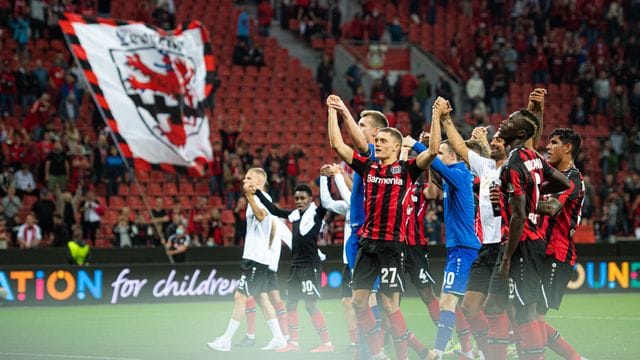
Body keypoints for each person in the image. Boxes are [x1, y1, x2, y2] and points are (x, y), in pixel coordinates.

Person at [327, 94, 442, 360]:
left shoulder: (407, 170)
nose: (376, 144)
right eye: (376, 140)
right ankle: (379, 354)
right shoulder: (368, 167)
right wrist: (332, 111)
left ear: (395, 146)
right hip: (367, 245)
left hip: (392, 246)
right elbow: (337, 144)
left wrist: (436, 117)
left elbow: (433, 151)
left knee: (390, 305)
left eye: (381, 141)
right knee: (358, 302)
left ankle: (411, 354)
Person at [483, 109, 570, 360]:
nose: (503, 122)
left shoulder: (513, 163)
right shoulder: (534, 157)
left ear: (520, 133)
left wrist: (508, 258)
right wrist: (534, 191)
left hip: (521, 245)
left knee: (525, 311)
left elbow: (519, 216)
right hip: (524, 243)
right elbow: (564, 183)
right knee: (493, 306)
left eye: (510, 121)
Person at [414, 100, 481, 360]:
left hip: (463, 248)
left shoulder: (460, 172)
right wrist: (432, 152)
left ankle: (439, 353)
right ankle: (470, 351)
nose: (438, 157)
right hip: (461, 247)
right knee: (467, 305)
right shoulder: (454, 178)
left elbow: (439, 166)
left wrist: (419, 146)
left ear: (452, 155)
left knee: (448, 302)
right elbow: (433, 187)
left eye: (442, 153)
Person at [208, 168, 287, 352]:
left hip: (256, 259)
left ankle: (226, 340)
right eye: (244, 177)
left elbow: (261, 216)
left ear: (259, 182)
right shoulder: (258, 199)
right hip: (255, 257)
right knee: (261, 298)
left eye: (249, 178)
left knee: (240, 296)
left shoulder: (261, 198)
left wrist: (250, 198)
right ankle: (279, 338)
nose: (244, 180)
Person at [254, 183, 333, 353]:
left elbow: (326, 202)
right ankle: (294, 343)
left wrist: (326, 179)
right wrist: (258, 193)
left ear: (310, 199)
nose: (299, 201)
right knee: (290, 304)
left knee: (310, 306)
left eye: (303, 198)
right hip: (296, 266)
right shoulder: (295, 215)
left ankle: (327, 343)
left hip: (310, 266)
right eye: (296, 198)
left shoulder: (316, 214)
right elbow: (274, 211)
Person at [536, 128, 587, 359]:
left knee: (533, 318)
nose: (548, 147)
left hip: (557, 254)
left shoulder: (572, 178)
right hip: (539, 252)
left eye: (554, 142)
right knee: (522, 314)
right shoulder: (552, 175)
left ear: (567, 148)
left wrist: (517, 200)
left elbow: (552, 208)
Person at [319, 163, 359, 349]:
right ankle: (355, 341)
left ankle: (377, 338)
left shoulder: (364, 202)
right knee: (346, 301)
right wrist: (323, 177)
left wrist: (337, 175)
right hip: (348, 261)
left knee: (369, 302)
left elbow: (349, 198)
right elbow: (327, 203)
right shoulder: (350, 204)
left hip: (364, 260)